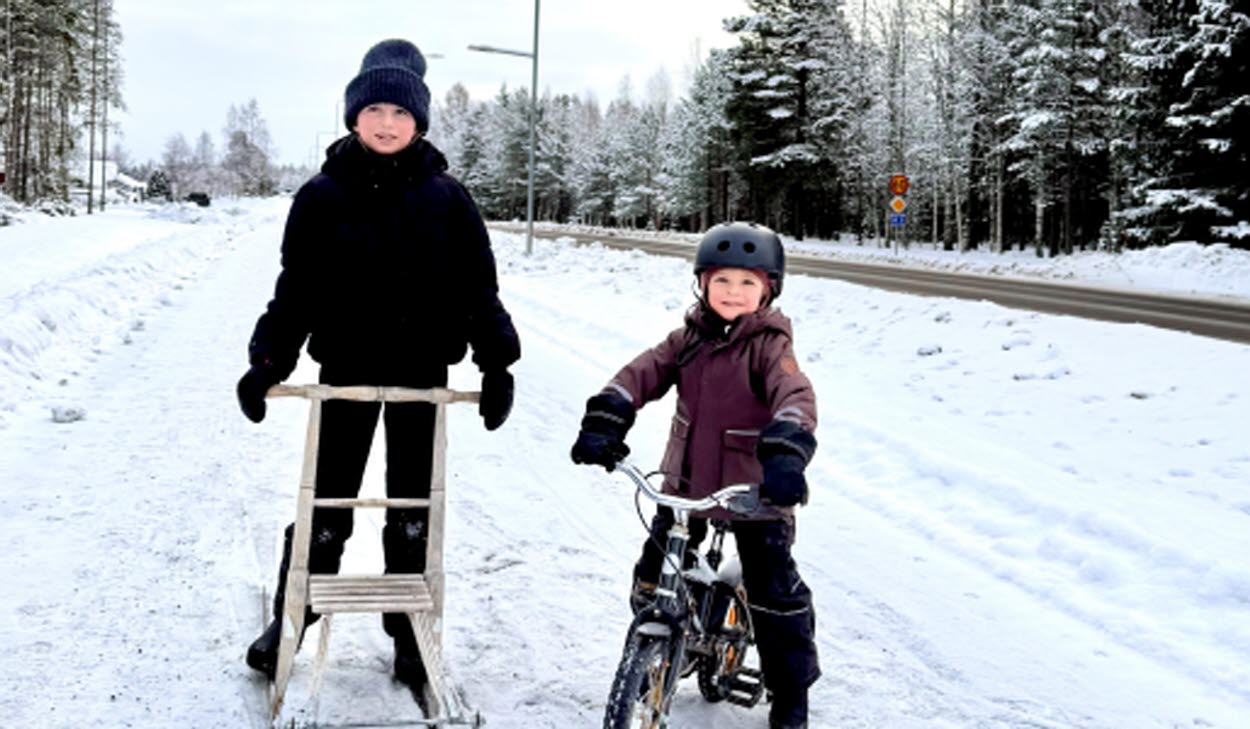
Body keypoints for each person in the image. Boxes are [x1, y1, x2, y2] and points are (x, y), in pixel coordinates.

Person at [235, 38, 521, 697]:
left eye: (400, 112)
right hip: (345, 372)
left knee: (413, 508)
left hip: (423, 377)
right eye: (375, 111)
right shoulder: (321, 197)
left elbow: (478, 290)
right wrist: (267, 360)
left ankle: (409, 636)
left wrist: (497, 364)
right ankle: (291, 617)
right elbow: (296, 291)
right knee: (325, 501)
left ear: (419, 120)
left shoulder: (449, 199)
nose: (387, 123)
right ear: (354, 117)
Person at [570, 222, 819, 729]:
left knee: (775, 596)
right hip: (686, 488)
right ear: (702, 284)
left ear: (769, 289)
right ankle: (661, 645)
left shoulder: (771, 347)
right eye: (722, 281)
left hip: (756, 493)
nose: (733, 293)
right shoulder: (686, 341)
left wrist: (787, 455)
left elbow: (795, 398)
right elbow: (639, 375)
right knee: (651, 576)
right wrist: (607, 415)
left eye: (748, 283)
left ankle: (791, 694)